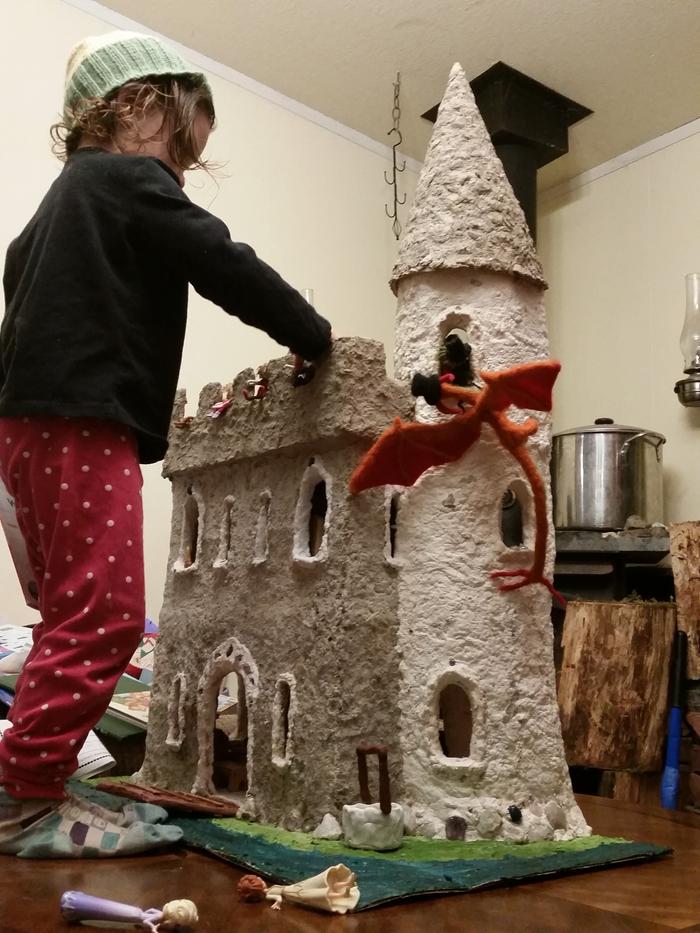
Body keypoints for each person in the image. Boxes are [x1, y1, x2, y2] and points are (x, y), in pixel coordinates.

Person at [0, 30, 332, 857]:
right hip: (83, 420)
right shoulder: (125, 181)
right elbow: (220, 259)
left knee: (65, 613)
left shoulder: (45, 218)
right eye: (180, 149)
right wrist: (312, 334)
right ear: (138, 106)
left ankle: (28, 777)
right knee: (107, 616)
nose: (178, 172)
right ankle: (25, 796)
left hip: (21, 430)